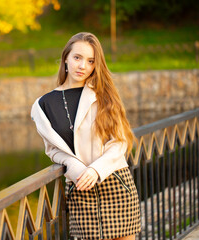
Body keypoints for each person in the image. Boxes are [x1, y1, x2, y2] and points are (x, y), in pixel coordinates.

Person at [31, 32, 141, 240]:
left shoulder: (104, 95)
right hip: (80, 186)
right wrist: (73, 165)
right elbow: (53, 150)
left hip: (115, 181)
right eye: (77, 58)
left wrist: (96, 169)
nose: (82, 66)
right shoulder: (43, 105)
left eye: (90, 61)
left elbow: (120, 141)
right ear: (65, 58)